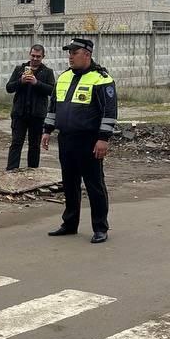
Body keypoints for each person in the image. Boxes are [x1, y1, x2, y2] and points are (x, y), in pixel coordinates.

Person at [42, 36, 117, 244]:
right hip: (66, 139)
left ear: (87, 54)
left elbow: (109, 112)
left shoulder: (101, 79)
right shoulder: (64, 77)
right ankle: (70, 223)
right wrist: (47, 130)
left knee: (94, 185)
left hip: (90, 140)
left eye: (74, 53)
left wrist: (103, 139)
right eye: (69, 53)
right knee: (69, 183)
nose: (70, 57)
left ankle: (100, 227)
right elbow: (53, 108)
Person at [4, 44, 56, 172]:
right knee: (16, 143)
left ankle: (33, 171)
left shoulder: (47, 72)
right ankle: (11, 171)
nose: (35, 58)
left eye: (38, 56)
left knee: (34, 145)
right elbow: (9, 88)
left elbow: (52, 91)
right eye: (33, 55)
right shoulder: (20, 69)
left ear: (43, 57)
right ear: (29, 54)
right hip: (19, 114)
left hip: (37, 115)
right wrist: (20, 81)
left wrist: (36, 83)